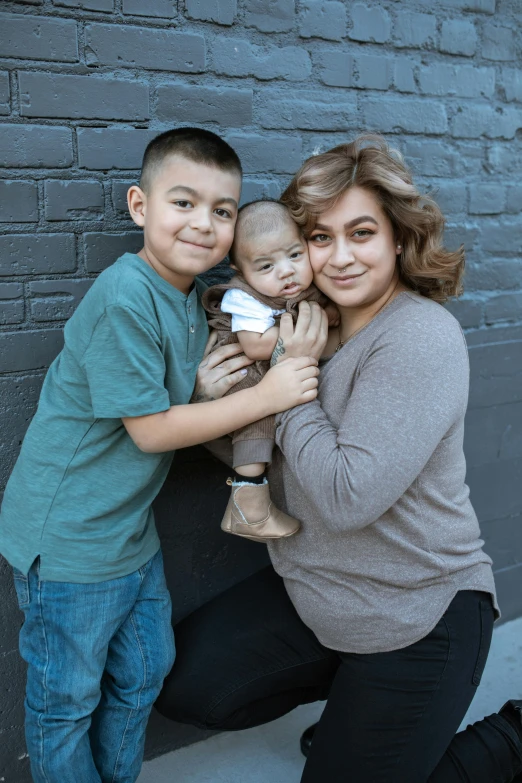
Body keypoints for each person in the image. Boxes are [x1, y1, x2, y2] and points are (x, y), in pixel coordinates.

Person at [156, 135, 522, 782]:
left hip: (418, 615)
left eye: (362, 233)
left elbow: (347, 495)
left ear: (399, 238)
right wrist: (218, 403)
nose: (342, 256)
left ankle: (510, 736)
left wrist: (287, 376)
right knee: (190, 683)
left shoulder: (417, 338)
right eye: (321, 238)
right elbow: (272, 450)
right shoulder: (307, 320)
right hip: (318, 590)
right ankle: (363, 714)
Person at [0, 127, 321, 783]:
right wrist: (272, 396)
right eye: (184, 202)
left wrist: (228, 420)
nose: (204, 223)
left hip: (129, 534)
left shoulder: (189, 298)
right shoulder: (125, 297)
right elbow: (150, 430)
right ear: (140, 207)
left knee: (144, 671)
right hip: (70, 542)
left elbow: (180, 407)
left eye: (223, 210)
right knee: (67, 703)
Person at [202, 199, 334, 542]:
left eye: (294, 255)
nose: (286, 271)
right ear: (241, 271)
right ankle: (249, 506)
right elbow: (256, 346)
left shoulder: (307, 286)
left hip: (274, 369)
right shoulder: (243, 298)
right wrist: (315, 340)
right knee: (257, 422)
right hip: (244, 372)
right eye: (265, 266)